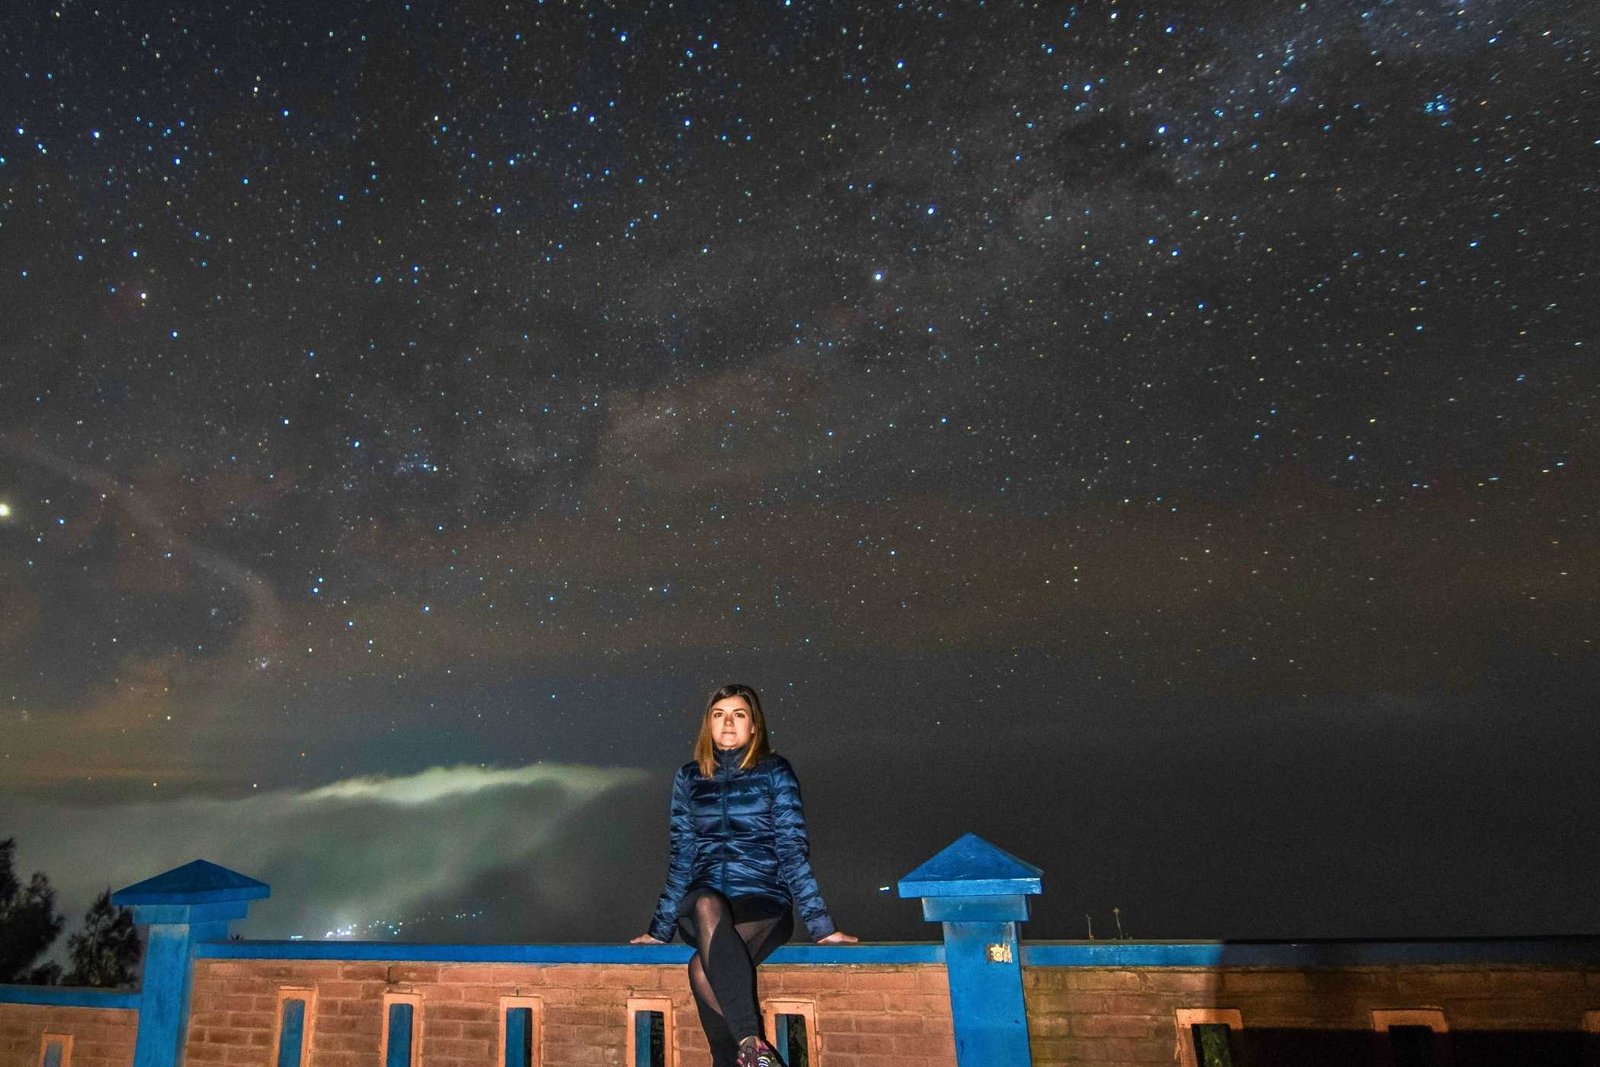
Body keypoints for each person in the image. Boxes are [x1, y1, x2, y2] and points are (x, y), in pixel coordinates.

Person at [631, 683, 857, 1067]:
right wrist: (659, 929)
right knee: (705, 902)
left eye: (738, 714)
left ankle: (736, 1057)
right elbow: (682, 856)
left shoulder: (774, 772)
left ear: (754, 726)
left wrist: (822, 927)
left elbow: (791, 849)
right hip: (705, 905)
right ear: (708, 726)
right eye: (719, 715)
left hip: (763, 902)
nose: (728, 722)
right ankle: (754, 1044)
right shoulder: (689, 778)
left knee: (701, 969)